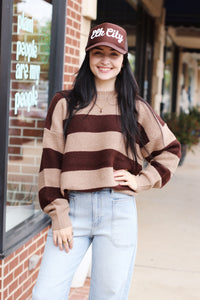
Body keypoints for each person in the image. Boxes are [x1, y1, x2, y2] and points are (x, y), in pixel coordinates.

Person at [32, 22, 181, 300]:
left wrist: (142, 181)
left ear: (124, 60)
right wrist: (59, 214)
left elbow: (169, 149)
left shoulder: (135, 108)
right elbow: (50, 164)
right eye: (98, 52)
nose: (105, 60)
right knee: (45, 294)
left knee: (108, 296)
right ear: (88, 56)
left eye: (113, 54)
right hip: (72, 211)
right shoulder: (65, 103)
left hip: (117, 211)